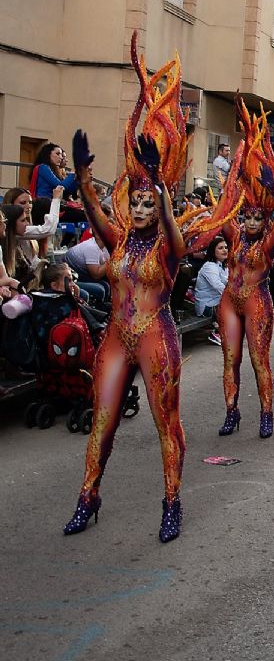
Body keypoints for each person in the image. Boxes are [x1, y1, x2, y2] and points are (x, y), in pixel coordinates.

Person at [63, 37, 198, 543]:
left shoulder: (166, 244)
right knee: (102, 422)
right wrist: (82, 175)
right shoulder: (119, 239)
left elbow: (179, 240)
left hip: (156, 333)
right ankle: (88, 497)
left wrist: (162, 189)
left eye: (147, 204)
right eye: (136, 203)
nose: (139, 210)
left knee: (167, 424)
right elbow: (98, 219)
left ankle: (171, 501)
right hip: (119, 334)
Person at [206, 104, 274, 439]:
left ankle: (266, 413)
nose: (251, 222)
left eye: (257, 218)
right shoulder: (235, 234)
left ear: (263, 219)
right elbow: (224, 210)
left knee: (258, 360)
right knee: (229, 360)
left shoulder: (268, 243)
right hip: (229, 301)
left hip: (257, 301)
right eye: (247, 217)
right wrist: (236, 175)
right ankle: (232, 411)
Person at [194, 237, 229, 343]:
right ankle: (217, 333)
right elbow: (218, 285)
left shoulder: (223, 266)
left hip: (217, 302)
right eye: (220, 248)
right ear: (213, 251)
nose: (225, 250)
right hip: (207, 306)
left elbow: (228, 282)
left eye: (226, 247)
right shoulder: (209, 266)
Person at [65, 235, 111, 306]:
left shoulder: (105, 247)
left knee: (106, 285)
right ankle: (95, 312)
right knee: (100, 289)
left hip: (81, 275)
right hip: (72, 278)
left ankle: (103, 310)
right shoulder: (91, 247)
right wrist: (111, 260)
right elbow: (96, 275)